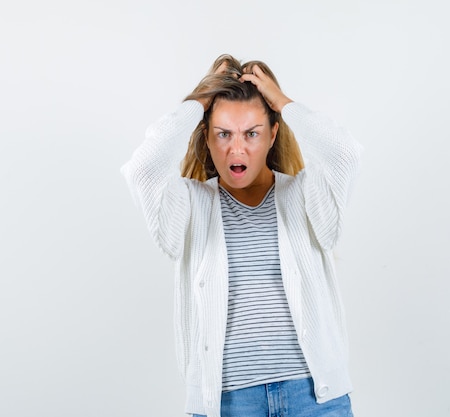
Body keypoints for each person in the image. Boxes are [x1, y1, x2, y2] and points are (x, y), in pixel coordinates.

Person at [121, 54, 362, 417]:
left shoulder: (303, 194)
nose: (237, 149)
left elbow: (343, 153)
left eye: (252, 133)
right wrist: (201, 99)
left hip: (314, 399)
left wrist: (282, 102)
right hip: (228, 404)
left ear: (273, 133)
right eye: (223, 134)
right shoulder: (191, 204)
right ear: (206, 134)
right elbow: (144, 168)